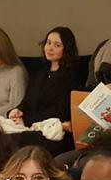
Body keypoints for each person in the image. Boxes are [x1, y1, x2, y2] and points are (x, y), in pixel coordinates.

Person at [7, 27, 82, 155]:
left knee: (14, 139)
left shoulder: (71, 77)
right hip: (32, 126)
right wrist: (18, 110)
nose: (50, 48)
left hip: (53, 131)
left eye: (57, 45)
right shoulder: (39, 74)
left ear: (66, 50)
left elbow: (60, 111)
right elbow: (27, 101)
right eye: (48, 43)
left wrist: (27, 120)